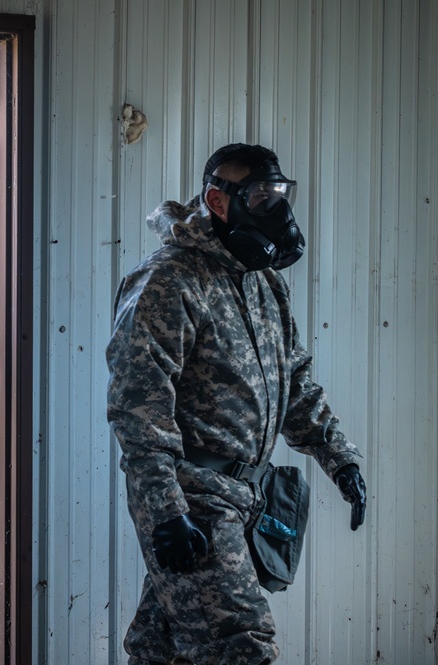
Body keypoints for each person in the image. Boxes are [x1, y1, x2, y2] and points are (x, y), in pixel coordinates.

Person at [106, 143, 368, 665]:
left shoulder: (263, 282)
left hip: (246, 496)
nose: (277, 212)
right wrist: (165, 513)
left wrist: (340, 459)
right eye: (261, 197)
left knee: (161, 651)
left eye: (280, 196)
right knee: (240, 646)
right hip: (194, 500)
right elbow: (139, 410)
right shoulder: (168, 280)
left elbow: (294, 382)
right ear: (218, 202)